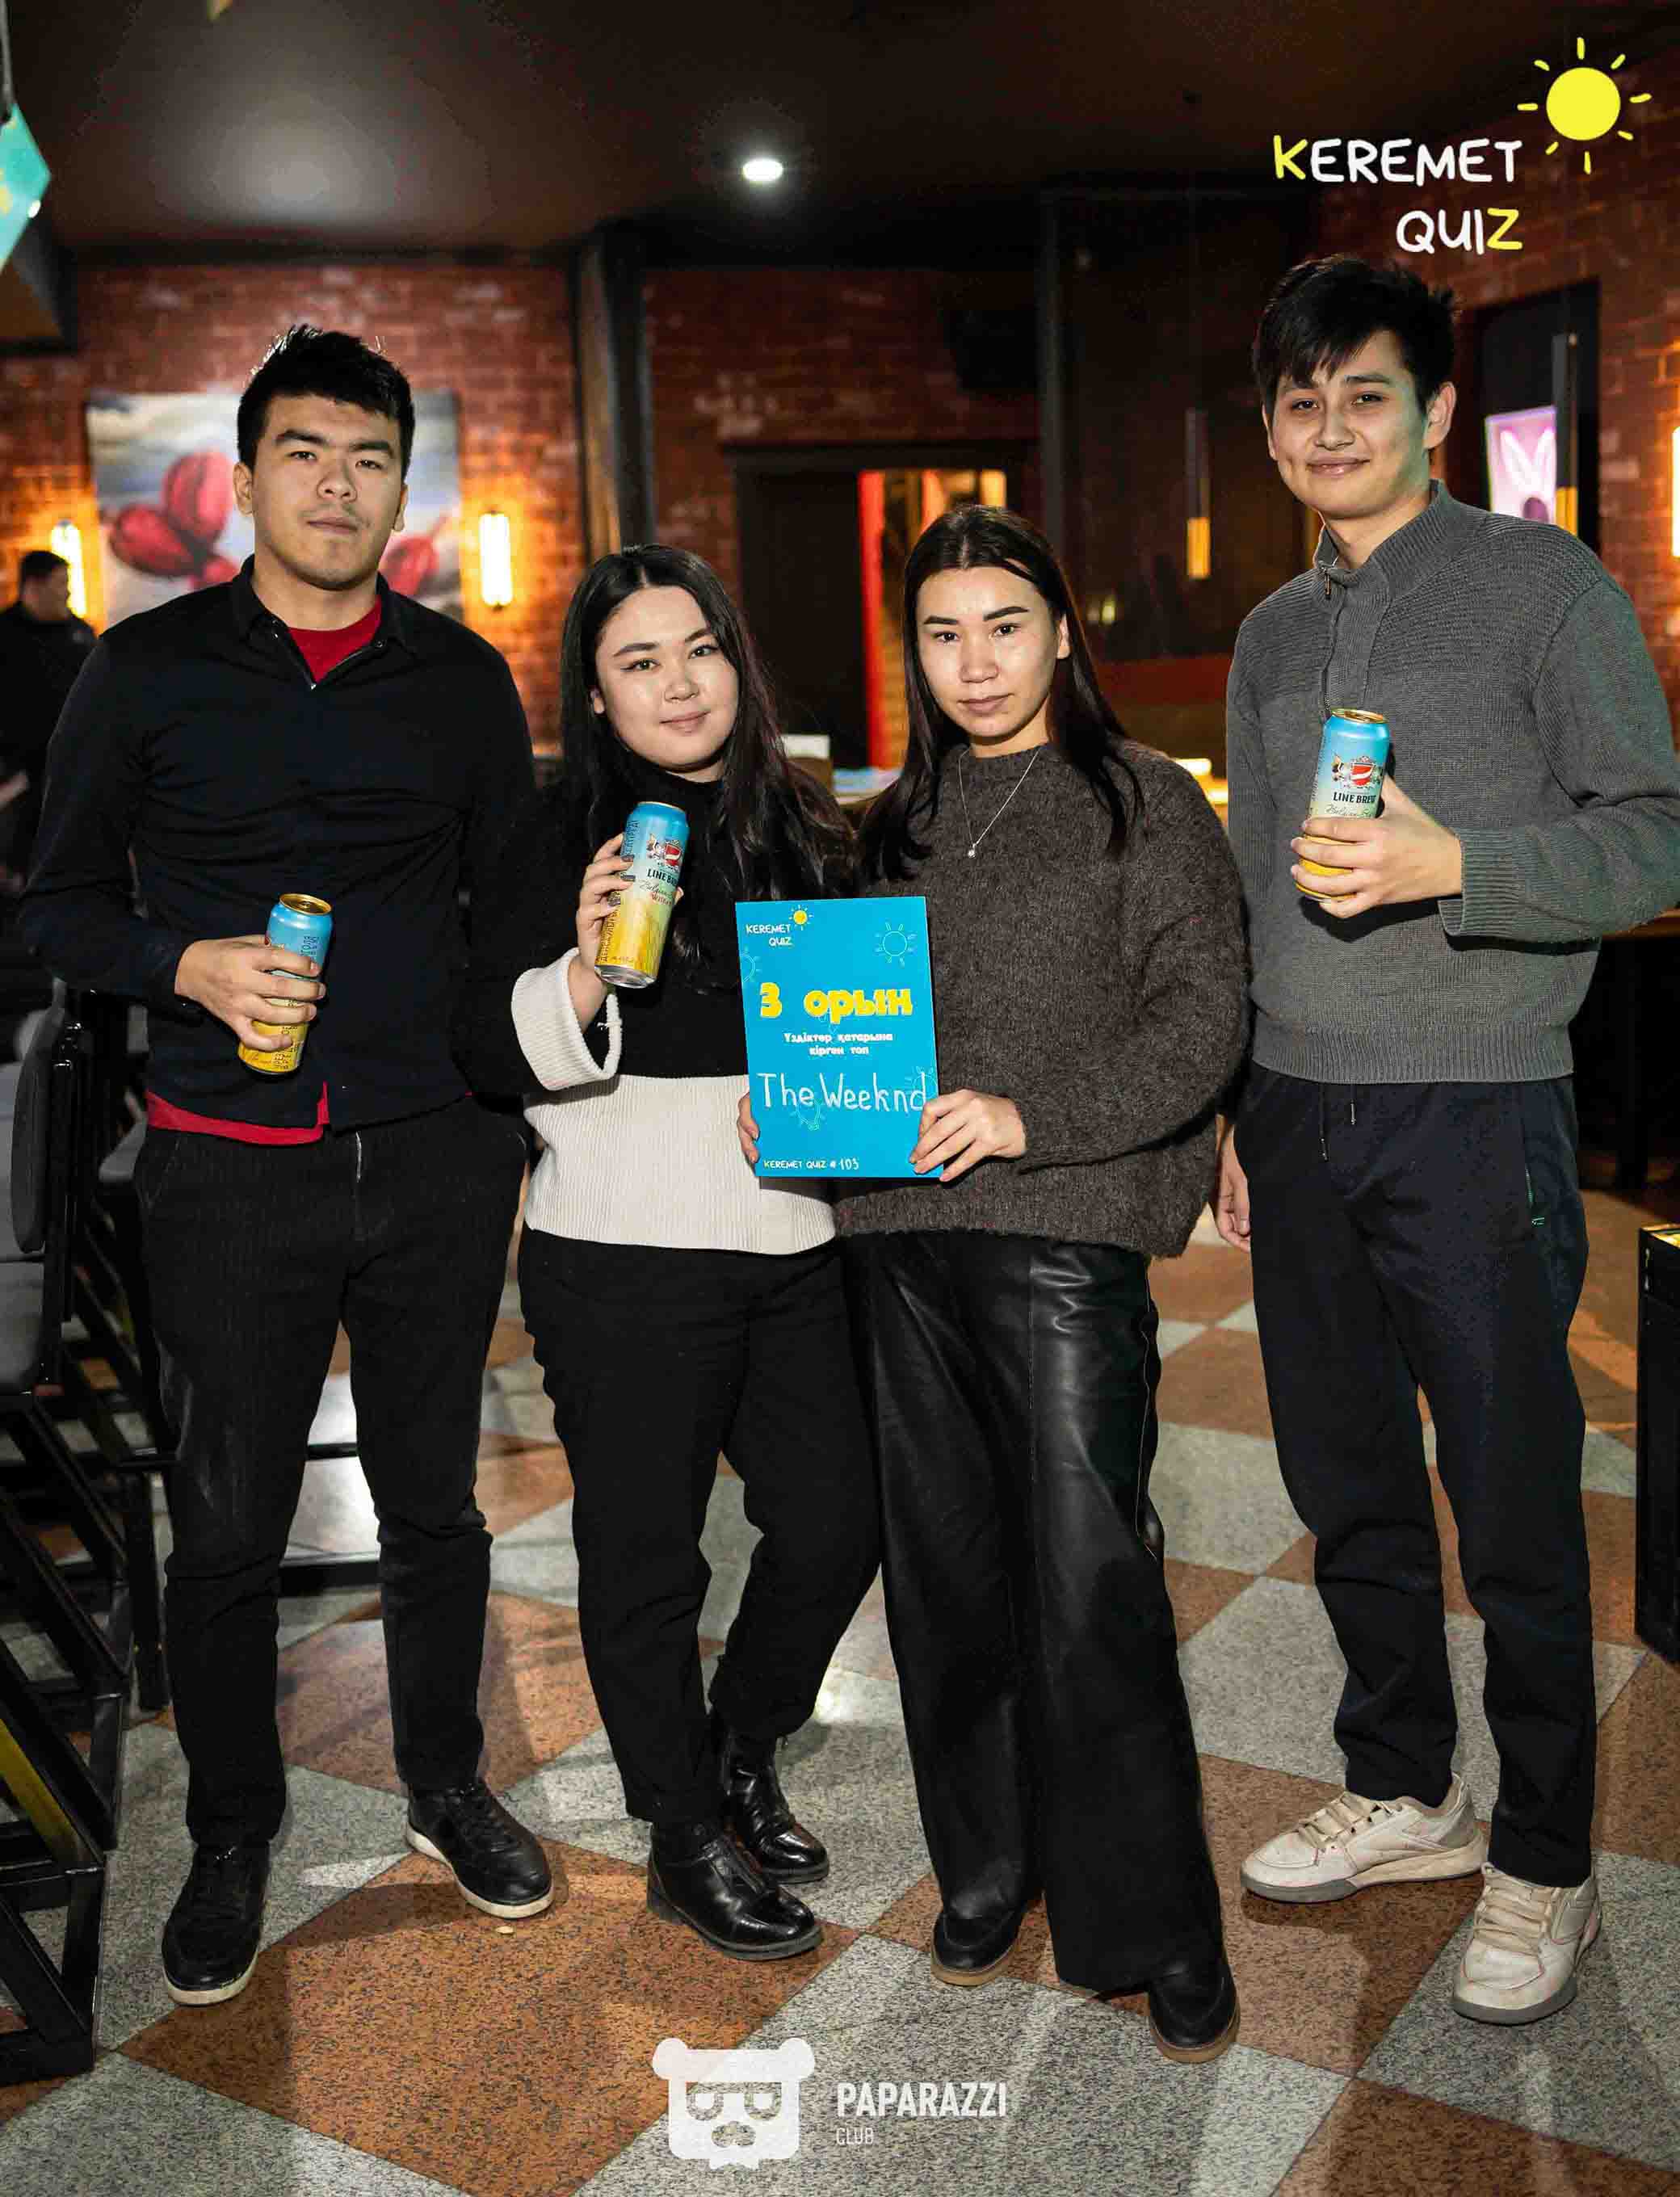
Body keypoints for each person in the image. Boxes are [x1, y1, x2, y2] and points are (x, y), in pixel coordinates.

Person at [20, 325, 551, 2008]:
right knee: (229, 1520)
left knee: (435, 1503)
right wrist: (184, 963)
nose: (337, 485)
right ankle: (232, 1829)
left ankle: (448, 1781)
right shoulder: (143, 669)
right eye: (305, 454)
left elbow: (513, 916)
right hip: (228, 1162)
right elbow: (51, 907)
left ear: (404, 490)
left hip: (435, 1152)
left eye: (369, 458)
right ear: (246, 478)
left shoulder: (461, 681)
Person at [1217, 255, 1680, 2026]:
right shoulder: (1272, 633)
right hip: (1297, 1108)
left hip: (1478, 1104)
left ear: (1432, 413)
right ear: (1270, 430)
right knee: (1344, 1484)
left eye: (1365, 394)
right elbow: (1253, 885)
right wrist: (1235, 1104)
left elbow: (1653, 840)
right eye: (1300, 401)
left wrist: (1456, 866)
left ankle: (1545, 1853)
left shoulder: (1542, 588)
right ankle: (1406, 1785)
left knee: (1511, 1499)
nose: (1330, 428)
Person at [744, 506, 1248, 2060]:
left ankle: (1154, 1921)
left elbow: (1201, 1018)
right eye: (945, 633)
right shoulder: (882, 827)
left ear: (1059, 633)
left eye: (1006, 626)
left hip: (1065, 1235)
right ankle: (988, 1865)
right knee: (946, 1579)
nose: (976, 661)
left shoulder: (1145, 801)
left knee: (1089, 1579)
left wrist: (1034, 1118)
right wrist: (790, 1110)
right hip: (896, 1241)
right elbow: (838, 1029)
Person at [456, 544, 879, 1963]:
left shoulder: (801, 817)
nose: (680, 684)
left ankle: (742, 1744)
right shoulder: (555, 830)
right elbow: (481, 1046)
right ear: (595, 692)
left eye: (699, 649)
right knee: (646, 1561)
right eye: (640, 661)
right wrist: (582, 970)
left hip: (794, 1236)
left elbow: (861, 1023)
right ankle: (684, 1831)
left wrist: (836, 1105)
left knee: (836, 1520)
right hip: (621, 1250)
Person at [0, 549, 96, 888]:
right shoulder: (5, 635)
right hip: (20, 775)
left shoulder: (79, 633)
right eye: (61, 584)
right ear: (34, 587)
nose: (68, 592)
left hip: (76, 766)